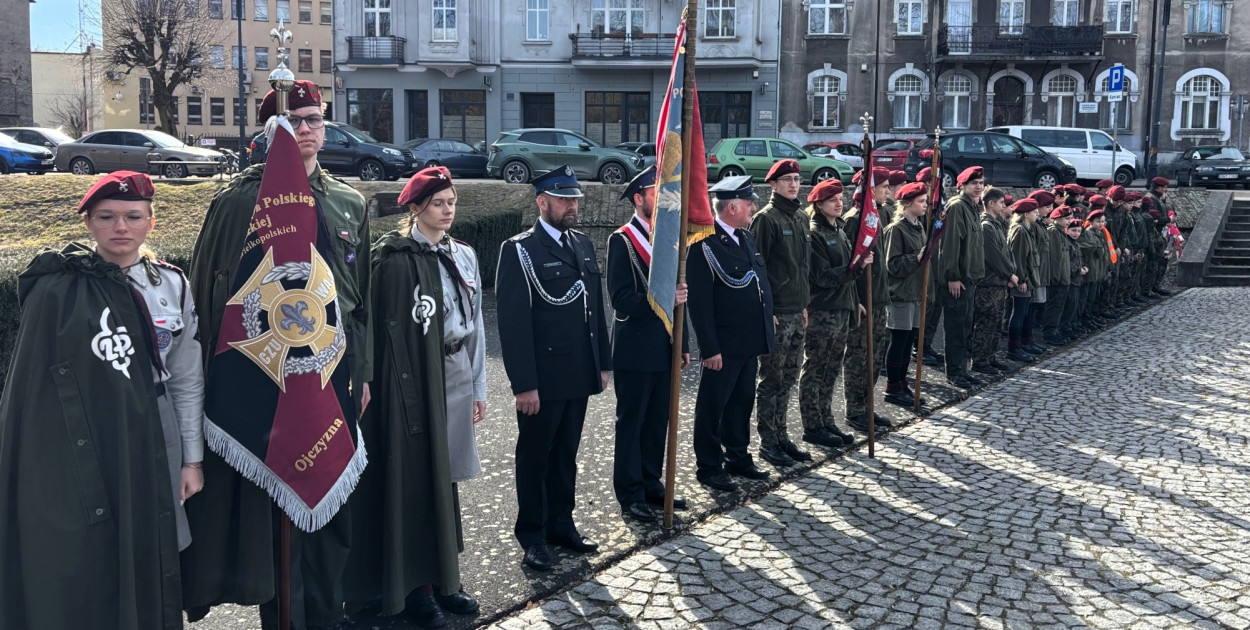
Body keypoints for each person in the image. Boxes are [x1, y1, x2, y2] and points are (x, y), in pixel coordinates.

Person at [182, 80, 373, 630]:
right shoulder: (238, 202)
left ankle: (327, 616)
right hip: (263, 376)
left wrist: (363, 374)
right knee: (275, 521)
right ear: (270, 133)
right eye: (292, 123)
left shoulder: (347, 200)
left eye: (313, 118)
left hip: (332, 372)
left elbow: (359, 301)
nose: (306, 131)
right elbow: (209, 293)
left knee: (333, 512)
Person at [0, 171, 196, 630]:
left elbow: (187, 377)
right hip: (90, 434)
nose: (120, 227)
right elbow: (37, 381)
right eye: (106, 217)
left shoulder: (172, 285)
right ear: (88, 223)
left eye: (133, 216)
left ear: (151, 222)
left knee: (154, 544)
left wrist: (192, 459)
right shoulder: (58, 288)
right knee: (95, 548)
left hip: (157, 429)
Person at [343, 166, 482, 628]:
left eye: (452, 202)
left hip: (455, 371)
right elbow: (385, 331)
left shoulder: (461, 256)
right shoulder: (395, 260)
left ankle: (445, 577)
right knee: (417, 477)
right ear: (416, 208)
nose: (447, 211)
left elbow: (476, 324)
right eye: (438, 203)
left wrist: (479, 386)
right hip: (412, 381)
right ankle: (419, 587)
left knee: (446, 478)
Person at [495, 165, 612, 572]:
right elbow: (513, 323)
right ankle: (533, 535)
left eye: (575, 199)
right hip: (543, 378)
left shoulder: (580, 243)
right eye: (564, 199)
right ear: (542, 202)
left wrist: (603, 363)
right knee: (535, 457)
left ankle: (562, 524)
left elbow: (596, 308)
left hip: (578, 372)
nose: (573, 206)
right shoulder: (520, 249)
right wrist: (524, 384)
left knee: (566, 455)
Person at [606, 166, 690, 524]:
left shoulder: (668, 238)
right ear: (638, 198)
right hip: (635, 347)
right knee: (633, 422)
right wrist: (662, 298)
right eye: (657, 192)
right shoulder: (622, 240)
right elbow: (621, 298)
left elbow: (683, 299)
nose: (665, 198)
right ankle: (630, 492)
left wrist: (684, 342)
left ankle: (651, 481)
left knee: (658, 420)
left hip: (665, 345)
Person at [688, 175, 775, 492]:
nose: (754, 206)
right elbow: (700, 303)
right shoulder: (704, 244)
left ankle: (737, 456)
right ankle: (709, 466)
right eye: (749, 202)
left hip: (748, 340)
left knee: (741, 402)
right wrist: (709, 348)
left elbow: (757, 285)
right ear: (733, 206)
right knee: (713, 407)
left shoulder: (745, 237)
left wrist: (768, 321)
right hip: (723, 345)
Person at [749, 159, 812, 467]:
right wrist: (765, 309)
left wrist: (803, 305)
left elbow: (803, 268)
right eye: (786, 179)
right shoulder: (766, 219)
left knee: (789, 378)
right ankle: (767, 440)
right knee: (771, 378)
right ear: (772, 184)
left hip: (795, 310)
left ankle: (783, 435)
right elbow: (757, 269)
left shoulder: (801, 218)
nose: (793, 184)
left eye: (796, 179)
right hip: (776, 313)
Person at [797, 179, 863, 449]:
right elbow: (822, 276)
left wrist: (855, 300)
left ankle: (826, 419)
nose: (839, 203)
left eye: (840, 198)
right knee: (816, 368)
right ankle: (812, 425)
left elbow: (848, 277)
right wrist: (854, 269)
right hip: (823, 310)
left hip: (841, 308)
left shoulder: (840, 229)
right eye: (833, 200)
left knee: (832, 369)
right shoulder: (816, 233)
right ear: (819, 204)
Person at [842, 167, 893, 431]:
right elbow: (850, 266)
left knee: (874, 357)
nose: (888, 191)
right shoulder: (855, 219)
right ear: (870, 190)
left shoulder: (877, 215)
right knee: (859, 357)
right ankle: (855, 410)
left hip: (879, 299)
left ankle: (866, 407)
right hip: (863, 300)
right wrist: (856, 298)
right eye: (884, 187)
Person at [933, 166, 987, 389]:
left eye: (981, 183)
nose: (979, 187)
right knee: (956, 326)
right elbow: (950, 244)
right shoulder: (957, 207)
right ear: (962, 186)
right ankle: (954, 371)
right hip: (959, 279)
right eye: (974, 183)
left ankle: (962, 369)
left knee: (966, 326)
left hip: (970, 278)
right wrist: (952, 276)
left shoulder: (973, 208)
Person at [882, 182, 929, 407]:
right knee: (899, 340)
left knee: (909, 339)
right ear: (907, 203)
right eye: (921, 201)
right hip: (900, 293)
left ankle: (902, 383)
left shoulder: (919, 226)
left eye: (925, 201)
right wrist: (917, 258)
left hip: (915, 291)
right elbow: (892, 264)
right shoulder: (896, 229)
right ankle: (892, 386)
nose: (925, 205)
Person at [970, 186, 1017, 376]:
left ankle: (990, 356)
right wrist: (1010, 274)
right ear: (990, 203)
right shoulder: (986, 226)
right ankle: (980, 360)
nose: (1003, 206)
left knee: (996, 322)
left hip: (999, 282)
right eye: (1001, 203)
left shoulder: (997, 224)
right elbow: (994, 256)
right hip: (988, 283)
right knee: (985, 322)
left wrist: (1011, 271)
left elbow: (1007, 252)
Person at [1006, 199, 1042, 363]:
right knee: (1019, 312)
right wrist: (1021, 280)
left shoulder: (1027, 229)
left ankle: (1024, 341)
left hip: (1028, 277)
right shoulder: (1020, 230)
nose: (1037, 214)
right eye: (1034, 212)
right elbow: (1018, 258)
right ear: (1026, 214)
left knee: (1025, 311)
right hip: (1022, 279)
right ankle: (1014, 347)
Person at [1042, 205, 1074, 346]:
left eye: (1070, 218)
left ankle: (1055, 330)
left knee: (1059, 305)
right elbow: (1054, 257)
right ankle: (1050, 332)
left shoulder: (1061, 232)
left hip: (1064, 276)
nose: (1069, 221)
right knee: (1054, 306)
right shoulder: (1054, 232)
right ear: (1058, 218)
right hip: (1058, 278)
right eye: (1067, 218)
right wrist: (1055, 278)